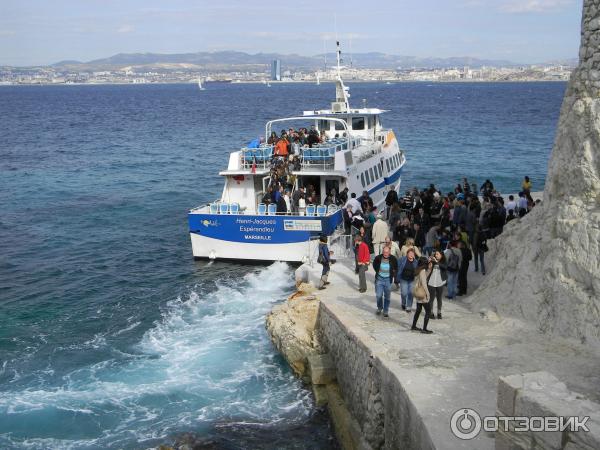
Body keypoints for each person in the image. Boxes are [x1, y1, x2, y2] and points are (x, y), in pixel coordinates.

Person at [372, 246, 398, 317]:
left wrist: (393, 274)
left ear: (389, 252)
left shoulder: (393, 259)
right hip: (379, 279)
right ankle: (380, 308)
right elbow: (374, 265)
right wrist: (378, 271)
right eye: (384, 252)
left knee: (387, 296)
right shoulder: (378, 258)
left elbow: (396, 268)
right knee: (378, 295)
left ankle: (386, 311)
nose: (385, 253)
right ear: (382, 252)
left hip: (388, 280)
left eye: (387, 252)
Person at [411, 258, 433, 334]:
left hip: (417, 292)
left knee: (418, 310)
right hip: (422, 294)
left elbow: (424, 277)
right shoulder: (422, 271)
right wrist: (428, 293)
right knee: (428, 311)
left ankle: (413, 326)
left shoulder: (418, 270)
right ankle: (424, 329)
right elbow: (424, 283)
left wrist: (429, 269)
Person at [426, 250, 447, 320]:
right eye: (435, 254)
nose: (436, 255)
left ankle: (439, 312)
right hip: (431, 282)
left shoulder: (443, 261)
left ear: (441, 255)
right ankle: (431, 312)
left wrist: (437, 262)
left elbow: (445, 267)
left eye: (437, 254)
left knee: (439, 298)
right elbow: (426, 268)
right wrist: (428, 261)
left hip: (440, 282)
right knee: (431, 298)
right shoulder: (432, 261)